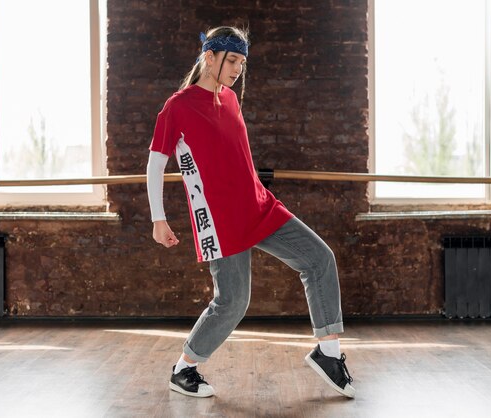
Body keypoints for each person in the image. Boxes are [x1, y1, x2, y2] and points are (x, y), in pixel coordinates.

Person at [146, 26, 355, 399]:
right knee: (233, 301)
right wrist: (157, 219)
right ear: (209, 57)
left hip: (260, 207)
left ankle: (329, 352)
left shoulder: (229, 99)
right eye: (233, 60)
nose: (238, 68)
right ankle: (184, 369)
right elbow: (155, 162)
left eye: (243, 62)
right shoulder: (178, 105)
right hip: (222, 220)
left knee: (320, 258)